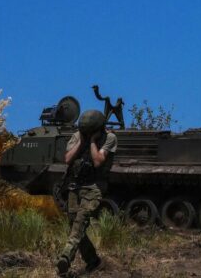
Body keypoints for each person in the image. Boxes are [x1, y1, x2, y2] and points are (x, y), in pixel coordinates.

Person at [56, 109, 117, 277]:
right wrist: (82, 140)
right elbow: (68, 159)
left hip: (94, 187)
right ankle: (93, 261)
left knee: (80, 222)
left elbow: (97, 161)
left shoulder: (109, 138)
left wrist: (92, 142)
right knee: (74, 225)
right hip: (75, 186)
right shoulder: (78, 136)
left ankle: (66, 256)